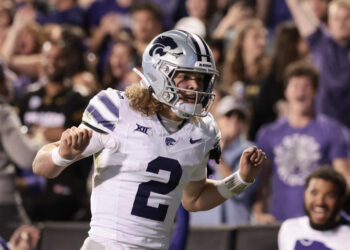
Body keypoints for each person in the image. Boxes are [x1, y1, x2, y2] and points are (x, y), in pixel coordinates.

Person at [32, 30, 266, 249]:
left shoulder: (202, 132)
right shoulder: (117, 110)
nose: (195, 85)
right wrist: (62, 155)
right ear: (158, 74)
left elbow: (194, 199)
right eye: (185, 77)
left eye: (201, 78)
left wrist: (241, 180)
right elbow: (40, 166)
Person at [253, 60, 350, 224]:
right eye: (295, 86)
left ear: (315, 92)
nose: (300, 91)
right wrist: (258, 213)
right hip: (279, 223)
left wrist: (331, 212)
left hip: (320, 224)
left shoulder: (334, 131)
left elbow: (344, 179)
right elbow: (259, 182)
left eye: (306, 86)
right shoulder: (268, 134)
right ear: (286, 92)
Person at [191, 95, 256, 226]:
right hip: (200, 224)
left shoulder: (251, 150)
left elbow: (239, 191)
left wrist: (218, 155)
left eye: (240, 117)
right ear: (217, 119)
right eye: (229, 115)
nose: (234, 120)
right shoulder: (198, 144)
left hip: (235, 226)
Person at [286, 0, 350, 130]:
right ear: (329, 22)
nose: (342, 24)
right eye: (337, 18)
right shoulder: (320, 41)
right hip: (324, 127)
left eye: (347, 18)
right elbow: (295, 4)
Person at [0, 63, 39, 226]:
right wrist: (40, 139)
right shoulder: (3, 113)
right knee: (28, 239)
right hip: (4, 206)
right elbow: (27, 158)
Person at [278, 167, 350, 250]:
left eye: (330, 195)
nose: (320, 202)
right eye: (314, 193)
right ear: (304, 194)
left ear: (341, 199)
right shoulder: (289, 228)